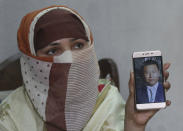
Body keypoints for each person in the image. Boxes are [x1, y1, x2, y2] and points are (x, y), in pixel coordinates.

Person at [0, 5, 171, 131]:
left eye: (78, 46)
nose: (68, 58)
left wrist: (133, 125)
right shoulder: (12, 112)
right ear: (31, 62)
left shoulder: (107, 101)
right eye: (53, 50)